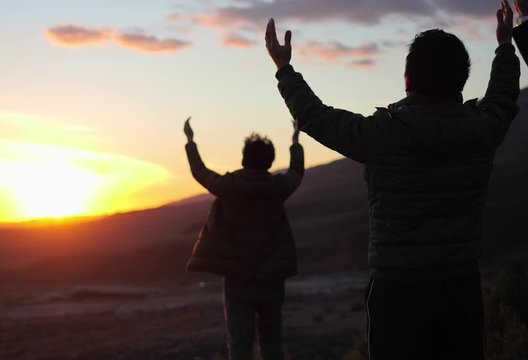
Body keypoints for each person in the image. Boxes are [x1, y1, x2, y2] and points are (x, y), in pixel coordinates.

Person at [265, 1, 519, 359]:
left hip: (397, 290)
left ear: (407, 79)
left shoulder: (381, 133)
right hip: (460, 286)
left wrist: (284, 69)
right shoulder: (481, 129)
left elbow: (315, 117)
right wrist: (506, 46)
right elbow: (503, 97)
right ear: (461, 79)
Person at [183, 117, 304, 360]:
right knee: (272, 341)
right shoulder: (277, 187)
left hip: (237, 278)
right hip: (271, 278)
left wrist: (190, 141)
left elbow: (200, 172)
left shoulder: (228, 186)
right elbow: (296, 172)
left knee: (239, 345)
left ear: (244, 158)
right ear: (269, 161)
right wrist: (295, 141)